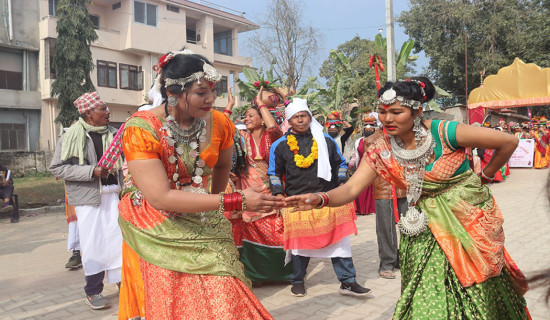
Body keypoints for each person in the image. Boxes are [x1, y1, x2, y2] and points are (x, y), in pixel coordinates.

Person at [287, 77, 530, 319]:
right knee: (427, 290)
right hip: (424, 227)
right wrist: (320, 199)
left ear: (417, 111)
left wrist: (485, 177)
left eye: (396, 112)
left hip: (465, 223)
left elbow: (508, 141)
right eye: (382, 112)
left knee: (478, 288)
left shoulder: (444, 132)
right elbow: (351, 190)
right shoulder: (381, 149)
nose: (387, 119)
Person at [118, 49, 279, 319]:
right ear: (173, 93)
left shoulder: (220, 123)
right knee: (175, 297)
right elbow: (159, 197)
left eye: (213, 90)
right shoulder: (141, 129)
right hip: (156, 224)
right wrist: (233, 200)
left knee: (226, 288)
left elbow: (223, 167)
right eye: (201, 92)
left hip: (201, 214)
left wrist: (211, 206)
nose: (211, 99)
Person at [268, 98, 371, 298]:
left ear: (309, 117)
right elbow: (274, 173)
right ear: (289, 120)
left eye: (303, 116)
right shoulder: (279, 145)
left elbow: (341, 163)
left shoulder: (325, 140)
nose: (300, 120)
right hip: (297, 202)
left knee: (339, 244)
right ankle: (297, 281)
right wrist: (279, 196)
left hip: (327, 198)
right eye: (295, 117)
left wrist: (342, 183)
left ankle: (348, 282)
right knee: (300, 245)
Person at [50, 92, 124, 310]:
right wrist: (92, 171)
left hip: (115, 196)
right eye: (102, 109)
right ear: (89, 114)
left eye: (106, 108)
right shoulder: (71, 135)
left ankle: (124, 285)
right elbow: (57, 168)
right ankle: (93, 292)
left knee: (119, 243)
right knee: (94, 245)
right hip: (88, 200)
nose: (108, 112)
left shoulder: (114, 134)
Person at [226, 87, 292, 284]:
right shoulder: (241, 137)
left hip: (271, 190)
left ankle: (281, 274)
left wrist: (261, 104)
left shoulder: (271, 137)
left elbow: (273, 128)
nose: (246, 119)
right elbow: (221, 130)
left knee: (275, 230)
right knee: (245, 229)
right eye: (245, 116)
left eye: (250, 115)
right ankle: (252, 275)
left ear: (262, 118)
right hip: (247, 189)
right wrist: (229, 107)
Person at [350, 119, 377, 215]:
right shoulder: (358, 141)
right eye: (366, 129)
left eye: (370, 129)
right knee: (361, 188)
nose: (368, 131)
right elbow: (355, 155)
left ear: (374, 130)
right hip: (361, 166)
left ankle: (372, 208)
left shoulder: (378, 140)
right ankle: (361, 208)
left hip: (375, 166)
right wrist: (351, 165)